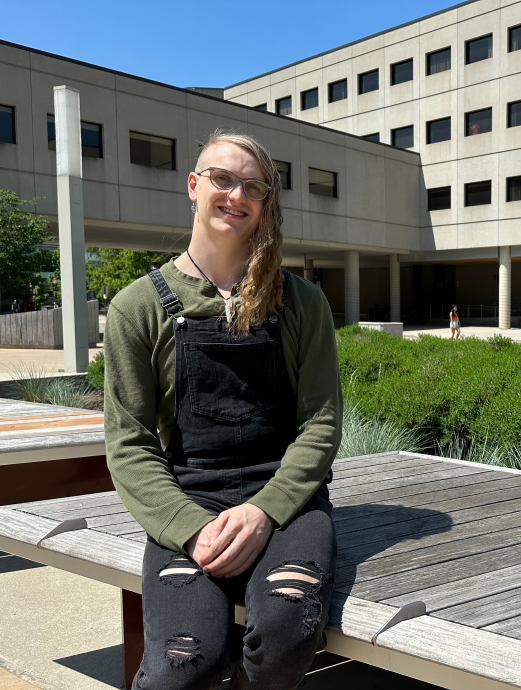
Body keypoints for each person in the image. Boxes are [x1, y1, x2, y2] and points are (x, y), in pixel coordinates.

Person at [104, 130, 343, 690]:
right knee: (181, 665)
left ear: (266, 202)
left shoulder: (302, 302)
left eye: (253, 187)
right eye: (223, 179)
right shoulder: (138, 307)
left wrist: (264, 512)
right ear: (194, 185)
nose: (237, 195)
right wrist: (190, 531)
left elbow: (321, 423)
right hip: (190, 498)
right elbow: (130, 442)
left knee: (287, 631)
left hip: (288, 501)